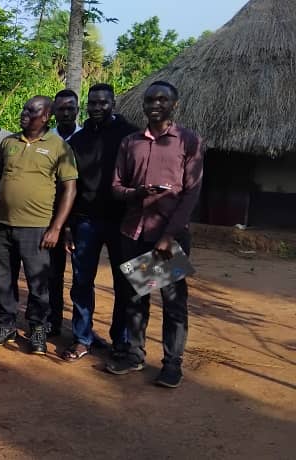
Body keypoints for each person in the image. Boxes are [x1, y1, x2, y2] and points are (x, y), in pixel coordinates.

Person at [107, 81, 203, 389]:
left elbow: (191, 194)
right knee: (135, 297)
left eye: (162, 99)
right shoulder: (130, 142)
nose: (154, 104)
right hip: (132, 232)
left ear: (174, 104)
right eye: (150, 99)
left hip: (166, 235)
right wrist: (136, 193)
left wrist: (168, 236)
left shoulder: (187, 141)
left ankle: (172, 364)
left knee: (172, 301)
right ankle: (135, 355)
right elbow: (116, 187)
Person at [0, 96, 77, 355]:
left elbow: (69, 189)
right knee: (3, 280)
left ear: (46, 116)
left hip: (37, 228)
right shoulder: (9, 142)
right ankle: (6, 325)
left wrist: (57, 227)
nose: (24, 113)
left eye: (31, 111)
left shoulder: (59, 147)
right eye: (24, 109)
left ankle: (37, 329)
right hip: (2, 226)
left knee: (38, 283)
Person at [60, 83, 139, 362]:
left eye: (103, 103)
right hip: (86, 222)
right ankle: (82, 338)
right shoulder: (77, 142)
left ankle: (122, 340)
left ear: (113, 104)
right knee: (82, 282)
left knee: (126, 283)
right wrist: (68, 225)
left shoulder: (130, 136)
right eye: (92, 103)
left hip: (122, 223)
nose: (97, 108)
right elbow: (69, 188)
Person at [47, 89, 82, 337]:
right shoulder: (47, 140)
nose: (66, 112)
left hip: (87, 220)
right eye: (61, 108)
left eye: (71, 108)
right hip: (52, 217)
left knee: (82, 279)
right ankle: (53, 322)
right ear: (54, 112)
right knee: (53, 273)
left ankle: (86, 333)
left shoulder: (87, 137)